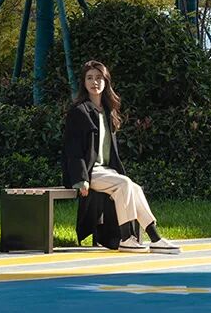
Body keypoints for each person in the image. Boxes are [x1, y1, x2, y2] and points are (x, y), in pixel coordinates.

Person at [62, 60, 181, 254]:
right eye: (89, 78)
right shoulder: (79, 112)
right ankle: (126, 238)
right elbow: (72, 149)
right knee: (124, 184)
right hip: (88, 171)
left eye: (98, 78)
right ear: (83, 82)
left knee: (133, 187)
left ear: (106, 81)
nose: (94, 82)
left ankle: (155, 238)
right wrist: (81, 179)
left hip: (105, 170)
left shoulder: (108, 111)